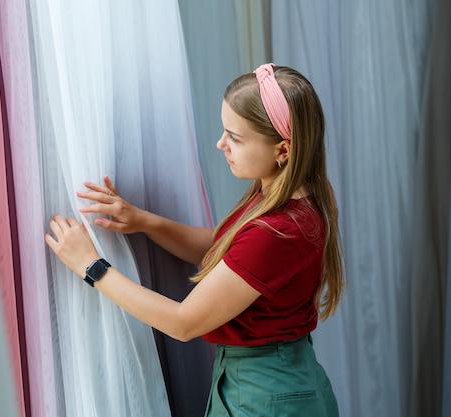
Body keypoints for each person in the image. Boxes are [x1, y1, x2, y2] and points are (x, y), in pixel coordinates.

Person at [45, 63, 344, 417]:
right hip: (274, 378)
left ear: (283, 150)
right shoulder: (292, 194)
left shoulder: (278, 231)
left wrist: (92, 267)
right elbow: (225, 250)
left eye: (236, 137)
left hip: (265, 393)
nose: (221, 144)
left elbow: (183, 322)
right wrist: (144, 221)